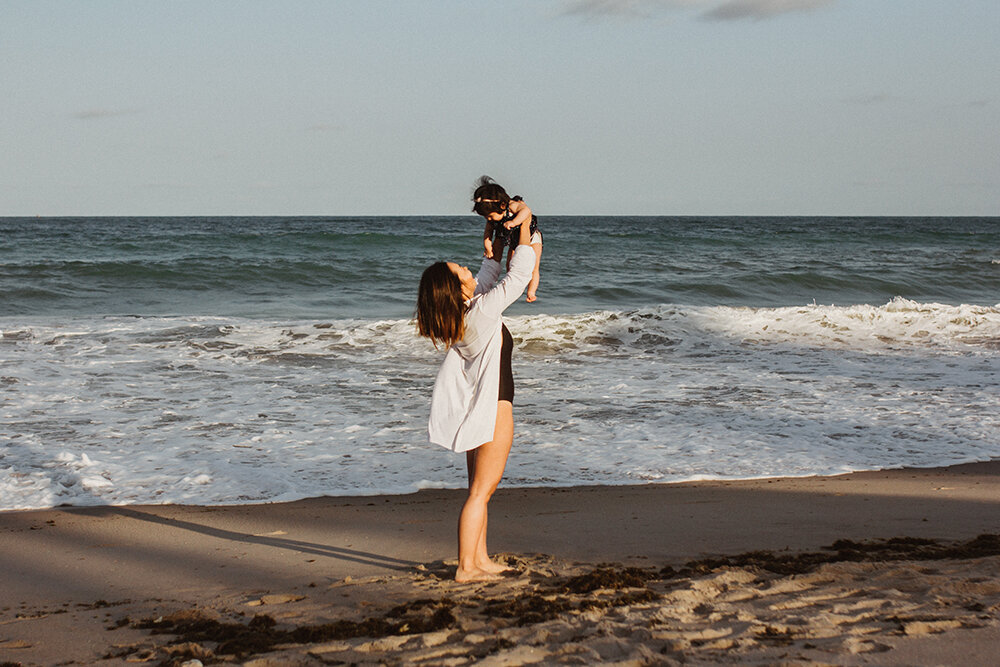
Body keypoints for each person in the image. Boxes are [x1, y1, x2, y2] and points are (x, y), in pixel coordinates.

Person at [416, 212, 537, 582]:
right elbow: (518, 277)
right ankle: (467, 567)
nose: (468, 268)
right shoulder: (481, 311)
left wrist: (494, 247)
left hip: (479, 409)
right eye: (461, 269)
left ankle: (479, 558)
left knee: (478, 491)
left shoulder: (464, 315)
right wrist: (526, 227)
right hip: (495, 408)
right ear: (458, 288)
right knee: (481, 493)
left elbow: (486, 279)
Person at [472, 176, 543, 303]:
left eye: (490, 216)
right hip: (513, 239)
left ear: (502, 205)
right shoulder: (492, 218)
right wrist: (487, 247)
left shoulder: (512, 206)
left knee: (534, 267)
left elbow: (526, 210)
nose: (488, 219)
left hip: (533, 237)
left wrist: (514, 221)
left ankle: (531, 291)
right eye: (486, 217)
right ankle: (512, 286)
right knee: (510, 264)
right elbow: (488, 233)